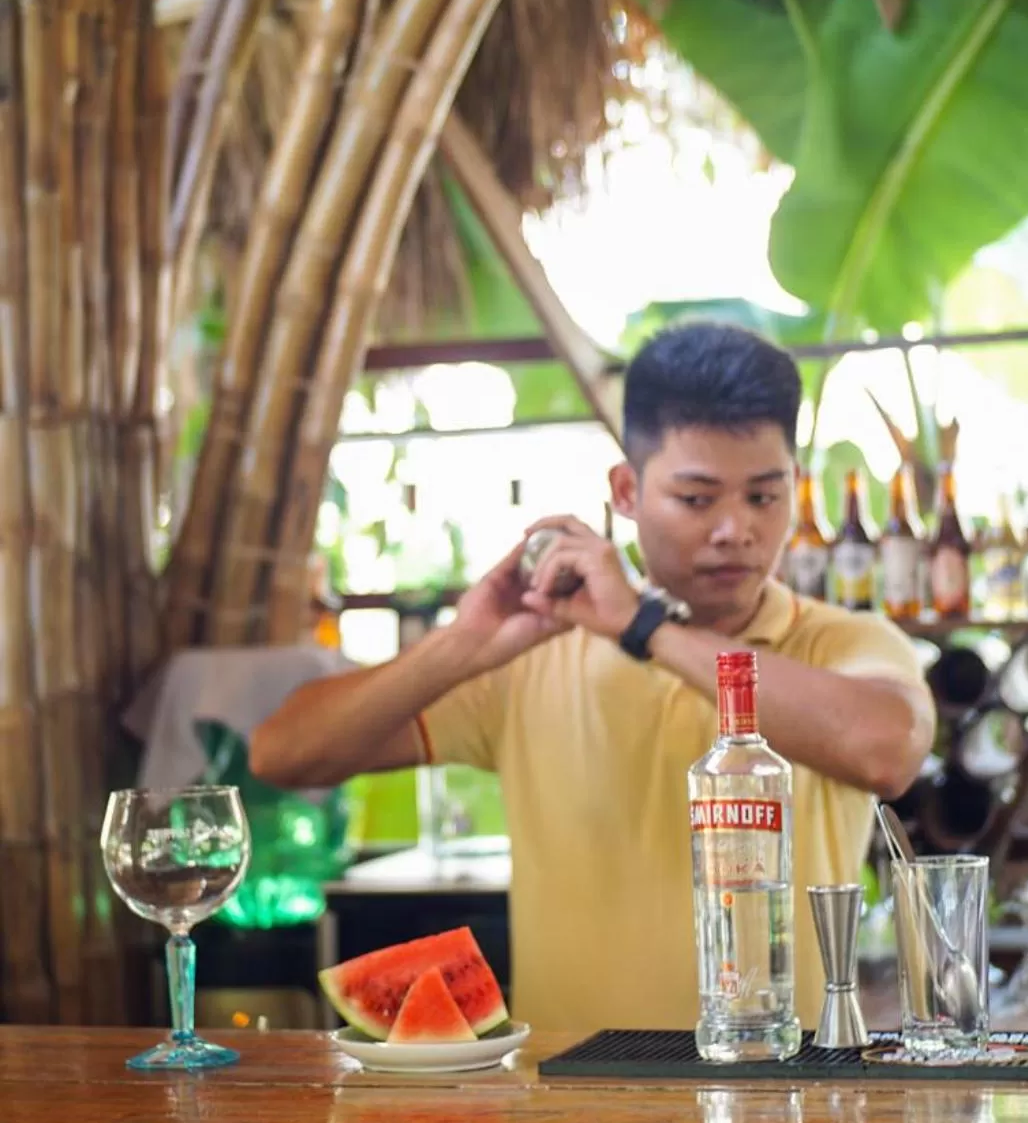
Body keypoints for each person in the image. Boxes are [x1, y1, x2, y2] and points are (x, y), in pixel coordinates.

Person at [251, 322, 934, 1034]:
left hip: (790, 1097)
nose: (735, 529)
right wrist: (461, 643)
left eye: (763, 496)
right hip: (572, 1111)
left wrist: (646, 630)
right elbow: (284, 753)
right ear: (627, 490)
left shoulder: (847, 642)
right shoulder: (533, 658)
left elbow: (886, 750)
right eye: (697, 499)